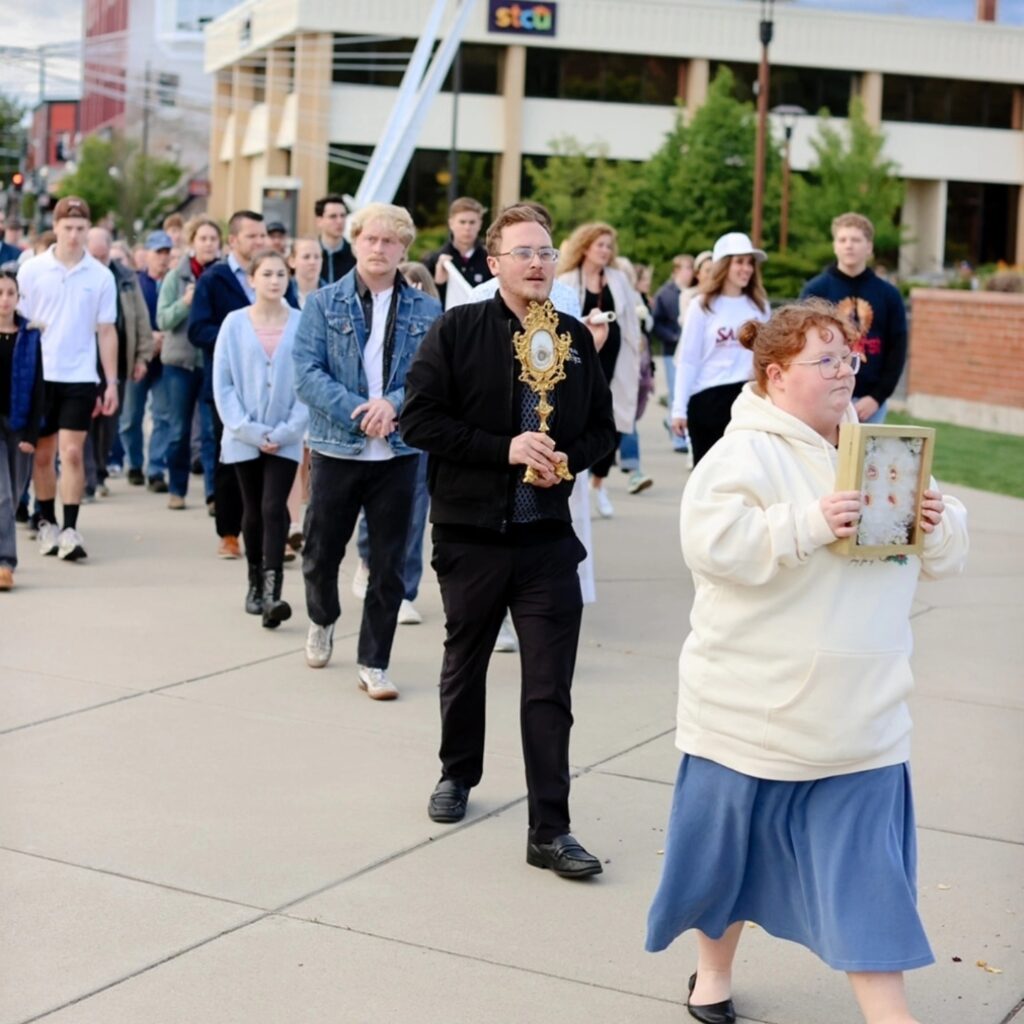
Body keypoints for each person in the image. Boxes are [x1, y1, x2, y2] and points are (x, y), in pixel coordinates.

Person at [646, 300, 969, 1024]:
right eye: (824, 360)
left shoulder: (882, 451)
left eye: (847, 358)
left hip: (861, 718)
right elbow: (711, 544)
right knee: (725, 866)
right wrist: (809, 523)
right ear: (776, 373)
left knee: (870, 885)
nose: (844, 371)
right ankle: (712, 976)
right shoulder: (741, 454)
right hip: (750, 715)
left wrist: (938, 523)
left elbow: (946, 555)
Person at [401, 204, 616, 877]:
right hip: (472, 535)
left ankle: (550, 829)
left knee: (549, 686)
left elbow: (603, 429)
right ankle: (457, 771)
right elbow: (418, 420)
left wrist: (569, 459)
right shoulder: (458, 329)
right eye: (523, 252)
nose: (538, 263)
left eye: (546, 252)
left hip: (547, 539)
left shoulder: (572, 338)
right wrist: (506, 449)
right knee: (465, 663)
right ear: (493, 263)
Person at [293, 201, 441, 698]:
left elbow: (431, 378)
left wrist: (391, 406)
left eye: (389, 241)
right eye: (371, 239)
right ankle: (322, 618)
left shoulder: (427, 310)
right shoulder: (323, 303)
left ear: (403, 249)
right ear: (356, 242)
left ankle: (374, 661)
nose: (379, 248)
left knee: (389, 563)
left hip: (398, 454)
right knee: (320, 552)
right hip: (337, 448)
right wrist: (362, 411)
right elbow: (307, 374)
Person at [189, 210, 298, 559]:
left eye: (262, 235)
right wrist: (237, 341)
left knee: (276, 471)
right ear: (233, 240)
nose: (260, 241)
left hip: (277, 390)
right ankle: (229, 533)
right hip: (233, 388)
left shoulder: (279, 278)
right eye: (252, 236)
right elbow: (197, 328)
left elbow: (294, 326)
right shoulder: (214, 278)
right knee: (231, 464)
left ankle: (276, 536)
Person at [17, 197, 118, 562]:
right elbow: (20, 326)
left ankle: (71, 528)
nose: (74, 235)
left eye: (80, 228)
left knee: (72, 453)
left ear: (88, 229)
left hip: (80, 376)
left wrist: (111, 382)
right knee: (42, 455)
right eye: (68, 228)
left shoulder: (100, 275)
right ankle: (46, 519)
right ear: (56, 228)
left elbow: (106, 331)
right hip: (40, 375)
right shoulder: (32, 269)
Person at [213, 249, 307, 628]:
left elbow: (308, 381)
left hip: (286, 434)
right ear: (251, 279)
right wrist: (249, 429)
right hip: (243, 435)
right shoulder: (234, 323)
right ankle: (253, 583)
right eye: (266, 274)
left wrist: (285, 430)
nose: (274, 281)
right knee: (252, 508)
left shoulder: (301, 322)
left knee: (273, 506)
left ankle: (272, 593)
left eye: (281, 274)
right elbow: (223, 383)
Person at [556, 222, 642, 519]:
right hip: (582, 359)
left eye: (608, 246)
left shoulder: (618, 279)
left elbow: (631, 319)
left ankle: (599, 483)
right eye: (599, 245)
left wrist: (638, 351)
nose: (605, 251)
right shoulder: (567, 279)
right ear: (585, 247)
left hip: (618, 360)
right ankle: (577, 481)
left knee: (614, 423)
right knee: (580, 421)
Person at [671, 232, 770, 465]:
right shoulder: (701, 305)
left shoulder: (759, 306)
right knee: (707, 476)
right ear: (724, 265)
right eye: (739, 262)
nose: (747, 269)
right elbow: (688, 359)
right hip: (707, 399)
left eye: (750, 263)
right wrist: (679, 409)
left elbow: (766, 358)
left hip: (747, 400)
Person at [800, 212, 907, 424]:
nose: (849, 245)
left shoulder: (889, 295)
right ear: (834, 246)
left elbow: (897, 349)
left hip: (870, 403)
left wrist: (877, 397)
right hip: (824, 397)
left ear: (869, 247)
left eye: (856, 240)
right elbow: (803, 346)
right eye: (842, 240)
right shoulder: (815, 291)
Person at [158, 216, 222, 510]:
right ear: (192, 242)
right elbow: (163, 320)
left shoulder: (222, 276)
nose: (208, 244)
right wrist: (185, 303)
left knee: (211, 432)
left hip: (212, 362)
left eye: (213, 239)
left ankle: (213, 494)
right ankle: (177, 488)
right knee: (179, 431)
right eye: (203, 238)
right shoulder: (176, 276)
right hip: (179, 364)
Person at [84, 227, 154, 495]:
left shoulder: (125, 276)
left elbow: (140, 317)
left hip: (118, 359)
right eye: (94, 256)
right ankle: (87, 476)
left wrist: (142, 356)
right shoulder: (80, 274)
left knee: (109, 420)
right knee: (85, 418)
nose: (99, 261)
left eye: (103, 256)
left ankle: (100, 471)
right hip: (85, 359)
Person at [0, 270, 44, 590]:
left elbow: (39, 387)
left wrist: (32, 434)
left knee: (14, 495)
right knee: (2, 495)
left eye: (10, 293)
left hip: (19, 422)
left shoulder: (29, 335)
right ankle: (5, 562)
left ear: (18, 298)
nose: (4, 299)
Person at [122, 229, 174, 492]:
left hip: (166, 359)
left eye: (167, 252)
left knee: (163, 416)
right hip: (139, 357)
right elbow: (129, 317)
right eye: (158, 252)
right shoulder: (135, 282)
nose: (162, 258)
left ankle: (156, 469)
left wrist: (165, 337)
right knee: (131, 416)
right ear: (147, 254)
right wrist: (148, 337)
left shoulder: (174, 283)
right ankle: (134, 463)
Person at [651, 255, 694, 453]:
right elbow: (656, 323)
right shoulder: (665, 293)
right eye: (687, 267)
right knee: (676, 392)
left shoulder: (695, 291)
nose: (690, 271)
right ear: (676, 270)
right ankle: (679, 438)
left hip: (690, 350)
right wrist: (672, 336)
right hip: (672, 350)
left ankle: (681, 430)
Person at [422, 196, 492, 305]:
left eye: (472, 222)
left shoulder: (490, 260)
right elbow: (424, 303)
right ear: (451, 223)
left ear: (480, 224)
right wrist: (439, 283)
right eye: (462, 222)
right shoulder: (434, 260)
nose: (467, 228)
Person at [315, 194, 355, 286]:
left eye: (343, 216)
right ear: (319, 221)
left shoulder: (355, 255)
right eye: (333, 216)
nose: (340, 221)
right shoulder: (310, 256)